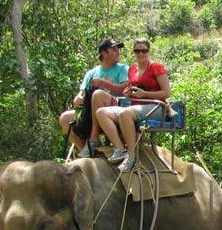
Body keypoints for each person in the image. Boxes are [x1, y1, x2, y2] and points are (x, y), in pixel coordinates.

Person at [95, 38, 170, 172]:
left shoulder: (156, 67)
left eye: (144, 51)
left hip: (156, 107)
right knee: (101, 112)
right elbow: (129, 89)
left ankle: (131, 156)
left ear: (149, 51)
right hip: (134, 107)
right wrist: (127, 93)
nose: (140, 53)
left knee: (125, 114)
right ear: (133, 52)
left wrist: (145, 94)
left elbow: (166, 92)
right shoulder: (132, 69)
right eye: (137, 51)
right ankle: (119, 149)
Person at [58, 39, 130, 158]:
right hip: (91, 114)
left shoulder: (123, 68)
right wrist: (78, 99)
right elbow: (81, 93)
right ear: (104, 53)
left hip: (117, 110)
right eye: (114, 49)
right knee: (65, 118)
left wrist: (103, 83)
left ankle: (93, 140)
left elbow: (124, 89)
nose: (118, 52)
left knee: (98, 94)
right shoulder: (92, 72)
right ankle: (87, 152)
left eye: (118, 49)